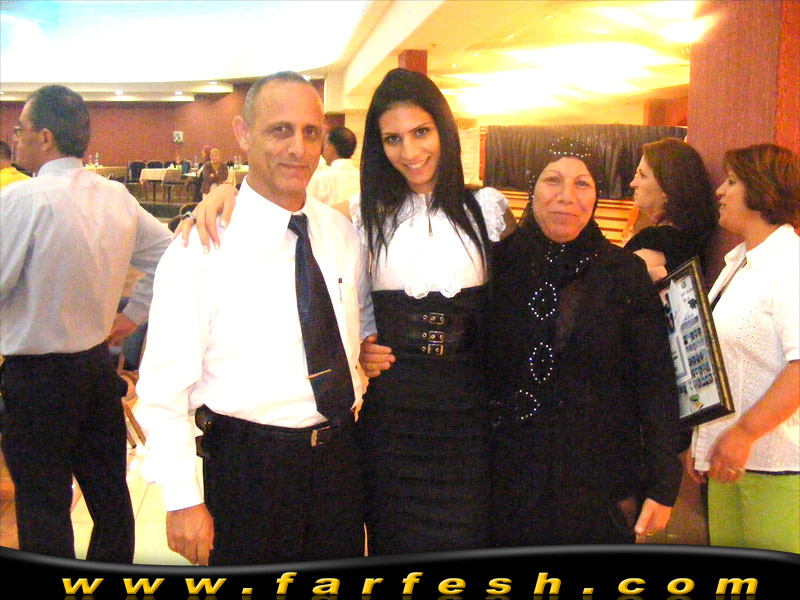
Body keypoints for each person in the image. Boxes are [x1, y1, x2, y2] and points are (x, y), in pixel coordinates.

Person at [178, 67, 516, 555]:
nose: (410, 151)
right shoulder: (360, 217)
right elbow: (300, 237)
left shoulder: (486, 210)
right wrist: (225, 194)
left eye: (421, 132)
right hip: (391, 423)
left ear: (443, 129)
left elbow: (518, 304)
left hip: (469, 421)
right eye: (393, 139)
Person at [135, 71, 368, 566]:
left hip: (339, 463)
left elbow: (354, 323)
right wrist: (182, 498)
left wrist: (368, 349)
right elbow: (162, 387)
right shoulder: (202, 246)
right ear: (243, 133)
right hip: (249, 469)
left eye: (310, 132)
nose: (298, 148)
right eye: (279, 130)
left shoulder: (340, 233)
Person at [0, 84, 172, 561]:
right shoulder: (115, 196)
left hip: (36, 379)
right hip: (96, 369)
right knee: (110, 497)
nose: (15, 137)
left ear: (45, 137)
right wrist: (132, 315)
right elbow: (170, 254)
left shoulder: (21, 200)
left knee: (44, 506)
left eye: (21, 128)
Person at [488, 137, 684, 547]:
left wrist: (663, 483)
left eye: (582, 184)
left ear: (596, 196)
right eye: (553, 180)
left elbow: (656, 383)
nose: (567, 196)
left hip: (600, 485)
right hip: (506, 480)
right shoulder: (497, 267)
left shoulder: (624, 273)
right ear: (532, 187)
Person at [686, 143, 799, 553]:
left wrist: (745, 433)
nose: (720, 191)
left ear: (762, 189)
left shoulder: (790, 264)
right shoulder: (738, 263)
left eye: (732, 182)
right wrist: (702, 437)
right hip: (730, 457)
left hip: (776, 463)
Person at [625, 138, 718, 281]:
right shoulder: (685, 240)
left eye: (642, 175)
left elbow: (611, 285)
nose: (633, 183)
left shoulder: (661, 241)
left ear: (668, 187)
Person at [306, 125, 360, 215]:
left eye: (324, 145)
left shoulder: (320, 179)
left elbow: (307, 214)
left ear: (330, 148)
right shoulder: (363, 179)